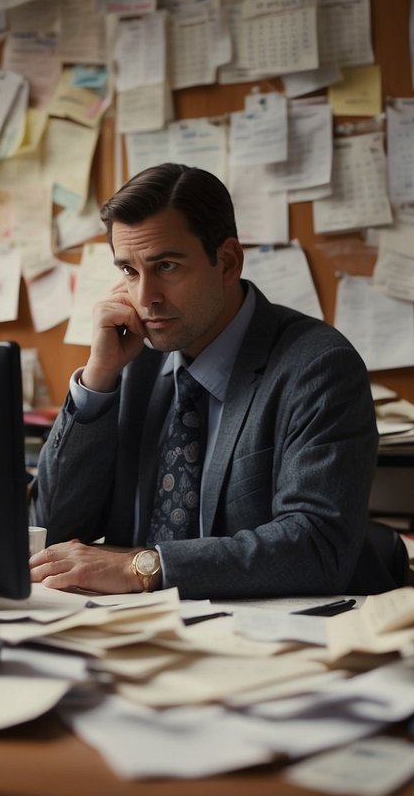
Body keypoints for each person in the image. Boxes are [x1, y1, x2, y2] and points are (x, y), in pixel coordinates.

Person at [29, 163, 395, 600]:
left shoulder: (317, 367)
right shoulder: (129, 361)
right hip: (133, 631)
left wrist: (142, 567)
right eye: (129, 270)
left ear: (226, 262)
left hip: (269, 641)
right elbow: (52, 528)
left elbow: (316, 545)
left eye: (165, 266)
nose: (145, 298)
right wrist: (98, 380)